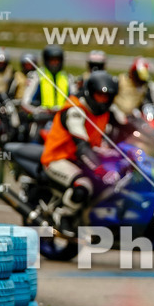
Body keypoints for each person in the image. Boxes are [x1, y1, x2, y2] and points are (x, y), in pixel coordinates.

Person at [40, 71, 121, 237]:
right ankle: (62, 216)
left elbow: (128, 124)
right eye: (99, 96)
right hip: (57, 158)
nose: (103, 100)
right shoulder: (75, 110)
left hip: (79, 159)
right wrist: (100, 170)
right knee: (83, 186)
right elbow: (82, 145)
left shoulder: (106, 111)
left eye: (107, 97)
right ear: (90, 93)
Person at [22, 44, 72, 110]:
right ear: (46, 60)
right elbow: (25, 102)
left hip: (62, 117)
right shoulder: (36, 76)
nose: (55, 63)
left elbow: (74, 100)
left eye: (57, 60)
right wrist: (37, 111)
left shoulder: (67, 77)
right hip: (41, 117)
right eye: (52, 60)